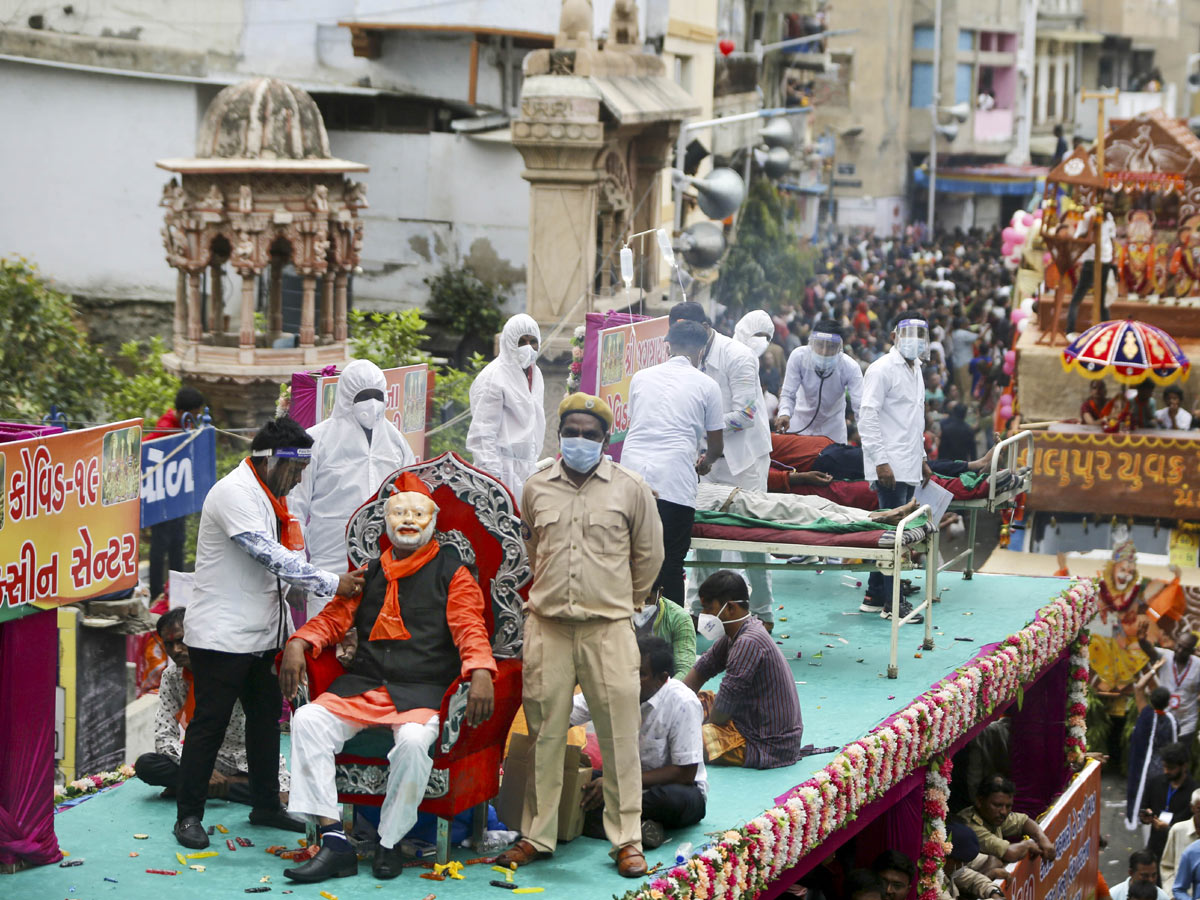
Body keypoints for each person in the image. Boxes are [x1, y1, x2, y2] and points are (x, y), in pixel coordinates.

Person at [278, 476, 496, 882]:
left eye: (417, 514)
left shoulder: (453, 571)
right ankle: (333, 840)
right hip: (364, 686)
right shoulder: (369, 572)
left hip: (423, 690)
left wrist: (480, 668)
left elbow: (470, 626)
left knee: (413, 744)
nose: (408, 521)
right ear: (386, 521)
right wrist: (298, 643)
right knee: (307, 720)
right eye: (400, 513)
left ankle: (389, 842)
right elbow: (332, 619)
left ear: (433, 522)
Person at [174, 417, 366, 850]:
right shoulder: (233, 494)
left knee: (264, 724)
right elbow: (269, 556)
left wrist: (320, 622)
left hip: (266, 634)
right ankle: (188, 815)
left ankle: (265, 806)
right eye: (295, 470)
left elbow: (291, 570)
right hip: (221, 637)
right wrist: (334, 583)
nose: (298, 480)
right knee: (210, 724)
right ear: (270, 460)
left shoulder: (277, 501)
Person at [496, 393, 663, 878]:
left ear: (606, 439)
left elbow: (649, 558)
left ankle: (626, 840)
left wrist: (621, 603)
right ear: (559, 434)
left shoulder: (631, 488)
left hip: (608, 628)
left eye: (591, 434)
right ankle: (536, 835)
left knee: (618, 735)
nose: (581, 441)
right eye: (572, 431)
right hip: (547, 626)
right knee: (544, 729)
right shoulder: (536, 486)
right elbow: (531, 548)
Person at [670, 302, 775, 629]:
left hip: (746, 461)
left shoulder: (738, 356)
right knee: (701, 534)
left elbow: (745, 416)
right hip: (707, 460)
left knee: (751, 537)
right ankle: (698, 607)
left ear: (704, 326)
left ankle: (762, 611)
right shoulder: (682, 356)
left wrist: (701, 424)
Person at [289, 359, 415, 617]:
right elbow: (295, 509)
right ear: (346, 396)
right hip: (330, 567)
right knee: (325, 641)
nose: (371, 403)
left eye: (377, 396)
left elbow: (413, 500)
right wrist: (296, 571)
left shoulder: (396, 443)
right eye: (363, 396)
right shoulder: (316, 441)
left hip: (385, 566)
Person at [134, 608, 290, 804]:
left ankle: (204, 785)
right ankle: (216, 785)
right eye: (169, 644)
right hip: (202, 756)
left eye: (181, 641)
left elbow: (265, 728)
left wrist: (200, 773)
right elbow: (164, 737)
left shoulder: (232, 667)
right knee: (146, 765)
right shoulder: (171, 676)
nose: (175, 650)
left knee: (279, 794)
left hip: (248, 759)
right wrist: (202, 769)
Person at [619, 319, 724, 607]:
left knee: (629, 559)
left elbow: (638, 422)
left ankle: (627, 631)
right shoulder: (708, 385)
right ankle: (671, 641)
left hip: (631, 479)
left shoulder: (641, 377)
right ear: (701, 350)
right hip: (674, 483)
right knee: (670, 564)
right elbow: (716, 445)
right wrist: (706, 463)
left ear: (668, 344)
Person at [574, 636, 707, 849]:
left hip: (671, 790)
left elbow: (685, 774)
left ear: (662, 678)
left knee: (673, 800)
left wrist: (617, 784)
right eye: (629, 669)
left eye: (641, 674)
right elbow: (566, 713)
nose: (630, 679)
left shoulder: (683, 702)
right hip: (619, 783)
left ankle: (601, 824)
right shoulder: (615, 688)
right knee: (575, 782)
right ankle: (638, 828)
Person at [682, 570, 804, 769]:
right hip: (746, 720)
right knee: (688, 700)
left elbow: (721, 713)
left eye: (707, 608)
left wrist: (683, 724)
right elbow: (700, 671)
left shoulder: (748, 642)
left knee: (685, 740)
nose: (702, 616)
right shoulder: (735, 634)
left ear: (730, 608)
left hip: (767, 744)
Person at [857, 319, 932, 622]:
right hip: (889, 464)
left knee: (896, 531)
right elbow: (868, 416)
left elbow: (916, 419)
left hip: (909, 461)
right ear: (893, 337)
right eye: (909, 336)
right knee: (894, 534)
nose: (915, 341)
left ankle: (875, 594)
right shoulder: (882, 369)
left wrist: (923, 457)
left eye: (920, 336)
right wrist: (880, 460)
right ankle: (892, 603)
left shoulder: (916, 370)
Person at [695, 481, 934, 545]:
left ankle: (872, 515)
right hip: (723, 505)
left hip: (732, 493)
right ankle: (878, 519)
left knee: (813, 501)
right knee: (796, 512)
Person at [466, 313, 546, 501]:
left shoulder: (536, 374)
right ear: (509, 342)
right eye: (521, 341)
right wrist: (492, 479)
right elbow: (483, 434)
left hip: (529, 469)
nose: (528, 347)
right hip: (501, 470)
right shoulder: (493, 377)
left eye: (533, 341)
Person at [144, 386, 207, 602]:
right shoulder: (166, 428)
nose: (197, 418)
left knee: (178, 544)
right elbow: (148, 449)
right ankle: (155, 593)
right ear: (184, 412)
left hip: (178, 497)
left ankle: (177, 594)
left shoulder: (185, 426)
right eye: (195, 413)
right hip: (162, 498)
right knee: (159, 546)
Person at [776, 326, 863, 443]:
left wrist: (866, 435)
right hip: (798, 425)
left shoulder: (850, 367)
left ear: (839, 348)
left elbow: (860, 405)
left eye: (831, 346)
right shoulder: (798, 356)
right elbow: (788, 393)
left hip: (832, 431)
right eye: (820, 345)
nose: (824, 351)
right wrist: (784, 413)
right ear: (811, 344)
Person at [958, 774, 1057, 864]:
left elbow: (1024, 822)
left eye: (1008, 806)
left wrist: (1043, 839)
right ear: (979, 801)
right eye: (997, 805)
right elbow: (1010, 853)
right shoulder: (969, 825)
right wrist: (1027, 845)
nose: (1004, 812)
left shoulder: (993, 816)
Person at [1137, 632, 1200, 753]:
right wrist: (1142, 640)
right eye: (1179, 646)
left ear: (1192, 651)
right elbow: (1150, 650)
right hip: (1163, 719)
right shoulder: (1166, 656)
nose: (1180, 651)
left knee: (1179, 760)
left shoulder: (1198, 665)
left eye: (1185, 649)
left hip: (1186, 723)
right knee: (1160, 758)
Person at [1128, 687, 1181, 831]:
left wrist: (1153, 669)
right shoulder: (1173, 721)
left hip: (1148, 766)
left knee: (1147, 799)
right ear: (1168, 702)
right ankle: (1161, 823)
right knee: (1161, 799)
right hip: (1164, 766)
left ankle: (1146, 820)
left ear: (1151, 700)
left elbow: (1138, 687)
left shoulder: (1147, 717)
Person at [1141, 743, 1197, 864]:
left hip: (1181, 849)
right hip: (1155, 848)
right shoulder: (1155, 783)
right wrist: (1145, 815)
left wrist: (1169, 827)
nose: (1166, 771)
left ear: (1184, 766)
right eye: (1164, 767)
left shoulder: (1194, 792)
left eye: (1171, 768)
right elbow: (1145, 805)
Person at [1067, 205, 1116, 336]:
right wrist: (1091, 229)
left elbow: (1112, 238)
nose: (1108, 202)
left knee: (1101, 296)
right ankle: (1070, 330)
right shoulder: (1088, 216)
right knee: (1079, 295)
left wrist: (1113, 257)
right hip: (1090, 259)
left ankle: (1107, 331)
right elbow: (1079, 237)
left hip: (1105, 259)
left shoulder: (1109, 217)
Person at [634, 589, 698, 678]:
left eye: (647, 600)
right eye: (635, 598)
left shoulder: (679, 618)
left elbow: (685, 669)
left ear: (659, 593)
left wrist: (666, 690)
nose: (641, 605)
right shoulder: (613, 613)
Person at [944, 823, 1004, 900]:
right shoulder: (930, 880)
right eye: (960, 862)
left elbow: (974, 880)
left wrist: (994, 892)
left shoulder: (951, 867)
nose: (961, 866)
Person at [1161, 789, 1200, 891]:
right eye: (1199, 809)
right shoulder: (1178, 830)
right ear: (1192, 808)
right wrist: (1171, 893)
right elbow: (1167, 867)